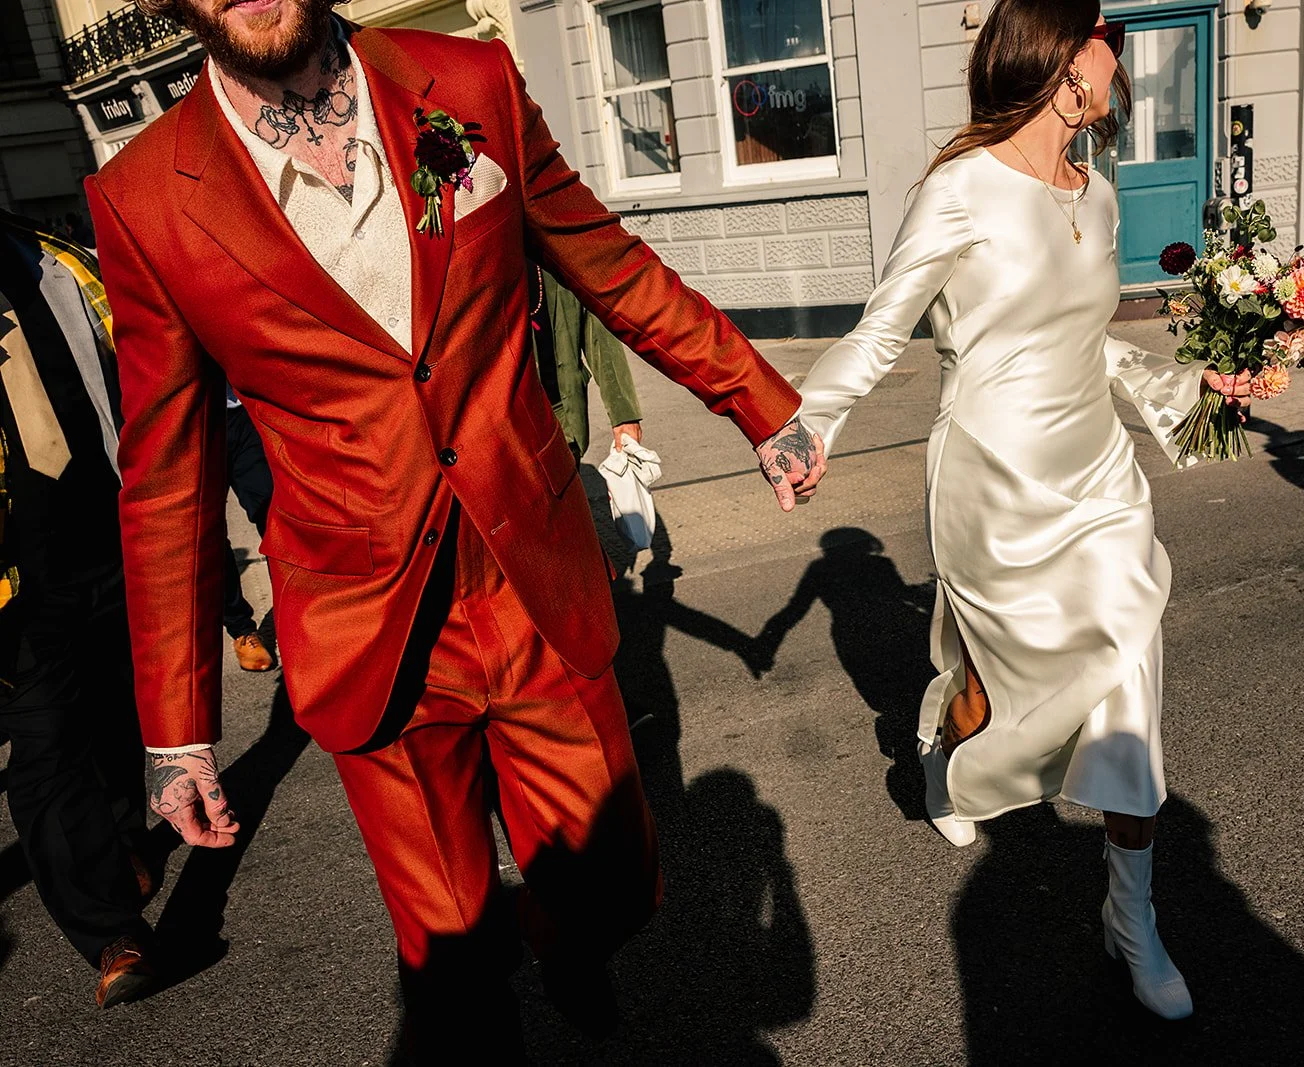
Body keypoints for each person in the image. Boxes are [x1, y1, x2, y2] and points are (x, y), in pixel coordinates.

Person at [85, 0, 824, 1057]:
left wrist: (755, 396)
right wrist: (177, 727)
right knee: (450, 958)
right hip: (362, 621)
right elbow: (164, 470)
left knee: (621, 883)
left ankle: (564, 934)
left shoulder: (464, 85)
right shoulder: (144, 193)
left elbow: (603, 260)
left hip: (529, 573)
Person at [796, 0, 1252, 1021]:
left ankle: (1130, 918)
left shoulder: (1096, 190)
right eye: (1109, 44)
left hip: (1097, 481)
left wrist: (1199, 395)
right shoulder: (960, 189)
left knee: (1129, 680)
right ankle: (949, 754)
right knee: (1006, 690)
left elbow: (1090, 342)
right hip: (994, 479)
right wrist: (807, 424)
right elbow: (881, 331)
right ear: (1059, 53)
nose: (1118, 64)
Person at [0, 209, 159, 1008]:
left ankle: (123, 839)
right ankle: (109, 927)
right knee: (46, 745)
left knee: (115, 710)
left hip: (108, 529)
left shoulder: (54, 257)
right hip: (12, 578)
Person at [529, 263, 643, 460]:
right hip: (505, 429)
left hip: (563, 419)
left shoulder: (559, 252)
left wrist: (624, 416)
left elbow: (598, 332)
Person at [220, 384, 278, 671]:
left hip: (237, 409)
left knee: (272, 508)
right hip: (187, 423)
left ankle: (297, 612)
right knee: (208, 534)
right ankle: (242, 630)